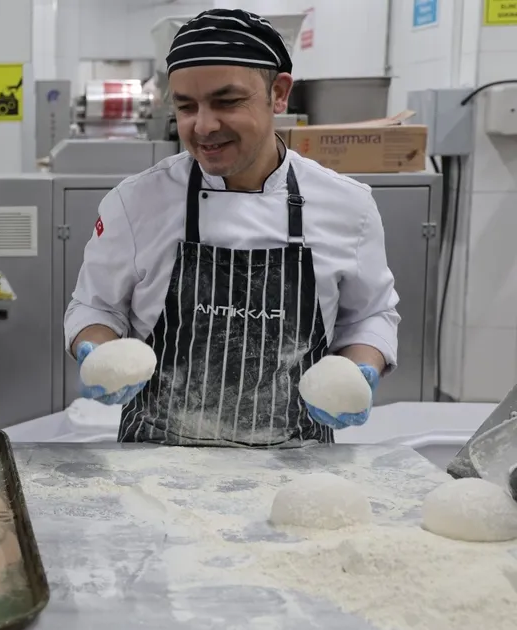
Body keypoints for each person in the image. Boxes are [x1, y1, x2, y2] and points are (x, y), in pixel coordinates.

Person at [65, 9, 399, 446]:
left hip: (296, 463)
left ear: (278, 94)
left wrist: (360, 370)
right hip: (155, 465)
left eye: (226, 102)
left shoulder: (347, 205)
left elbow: (370, 315)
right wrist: (97, 350)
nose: (203, 126)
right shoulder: (136, 202)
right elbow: (94, 308)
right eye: (186, 106)